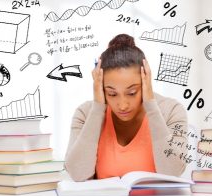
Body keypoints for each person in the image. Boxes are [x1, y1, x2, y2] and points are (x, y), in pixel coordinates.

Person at [65, 34, 188, 181]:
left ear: (145, 81)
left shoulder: (172, 111)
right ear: (101, 88)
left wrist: (151, 105)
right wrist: (98, 108)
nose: (122, 106)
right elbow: (77, 175)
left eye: (132, 92)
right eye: (112, 93)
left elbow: (172, 172)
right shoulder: (85, 114)